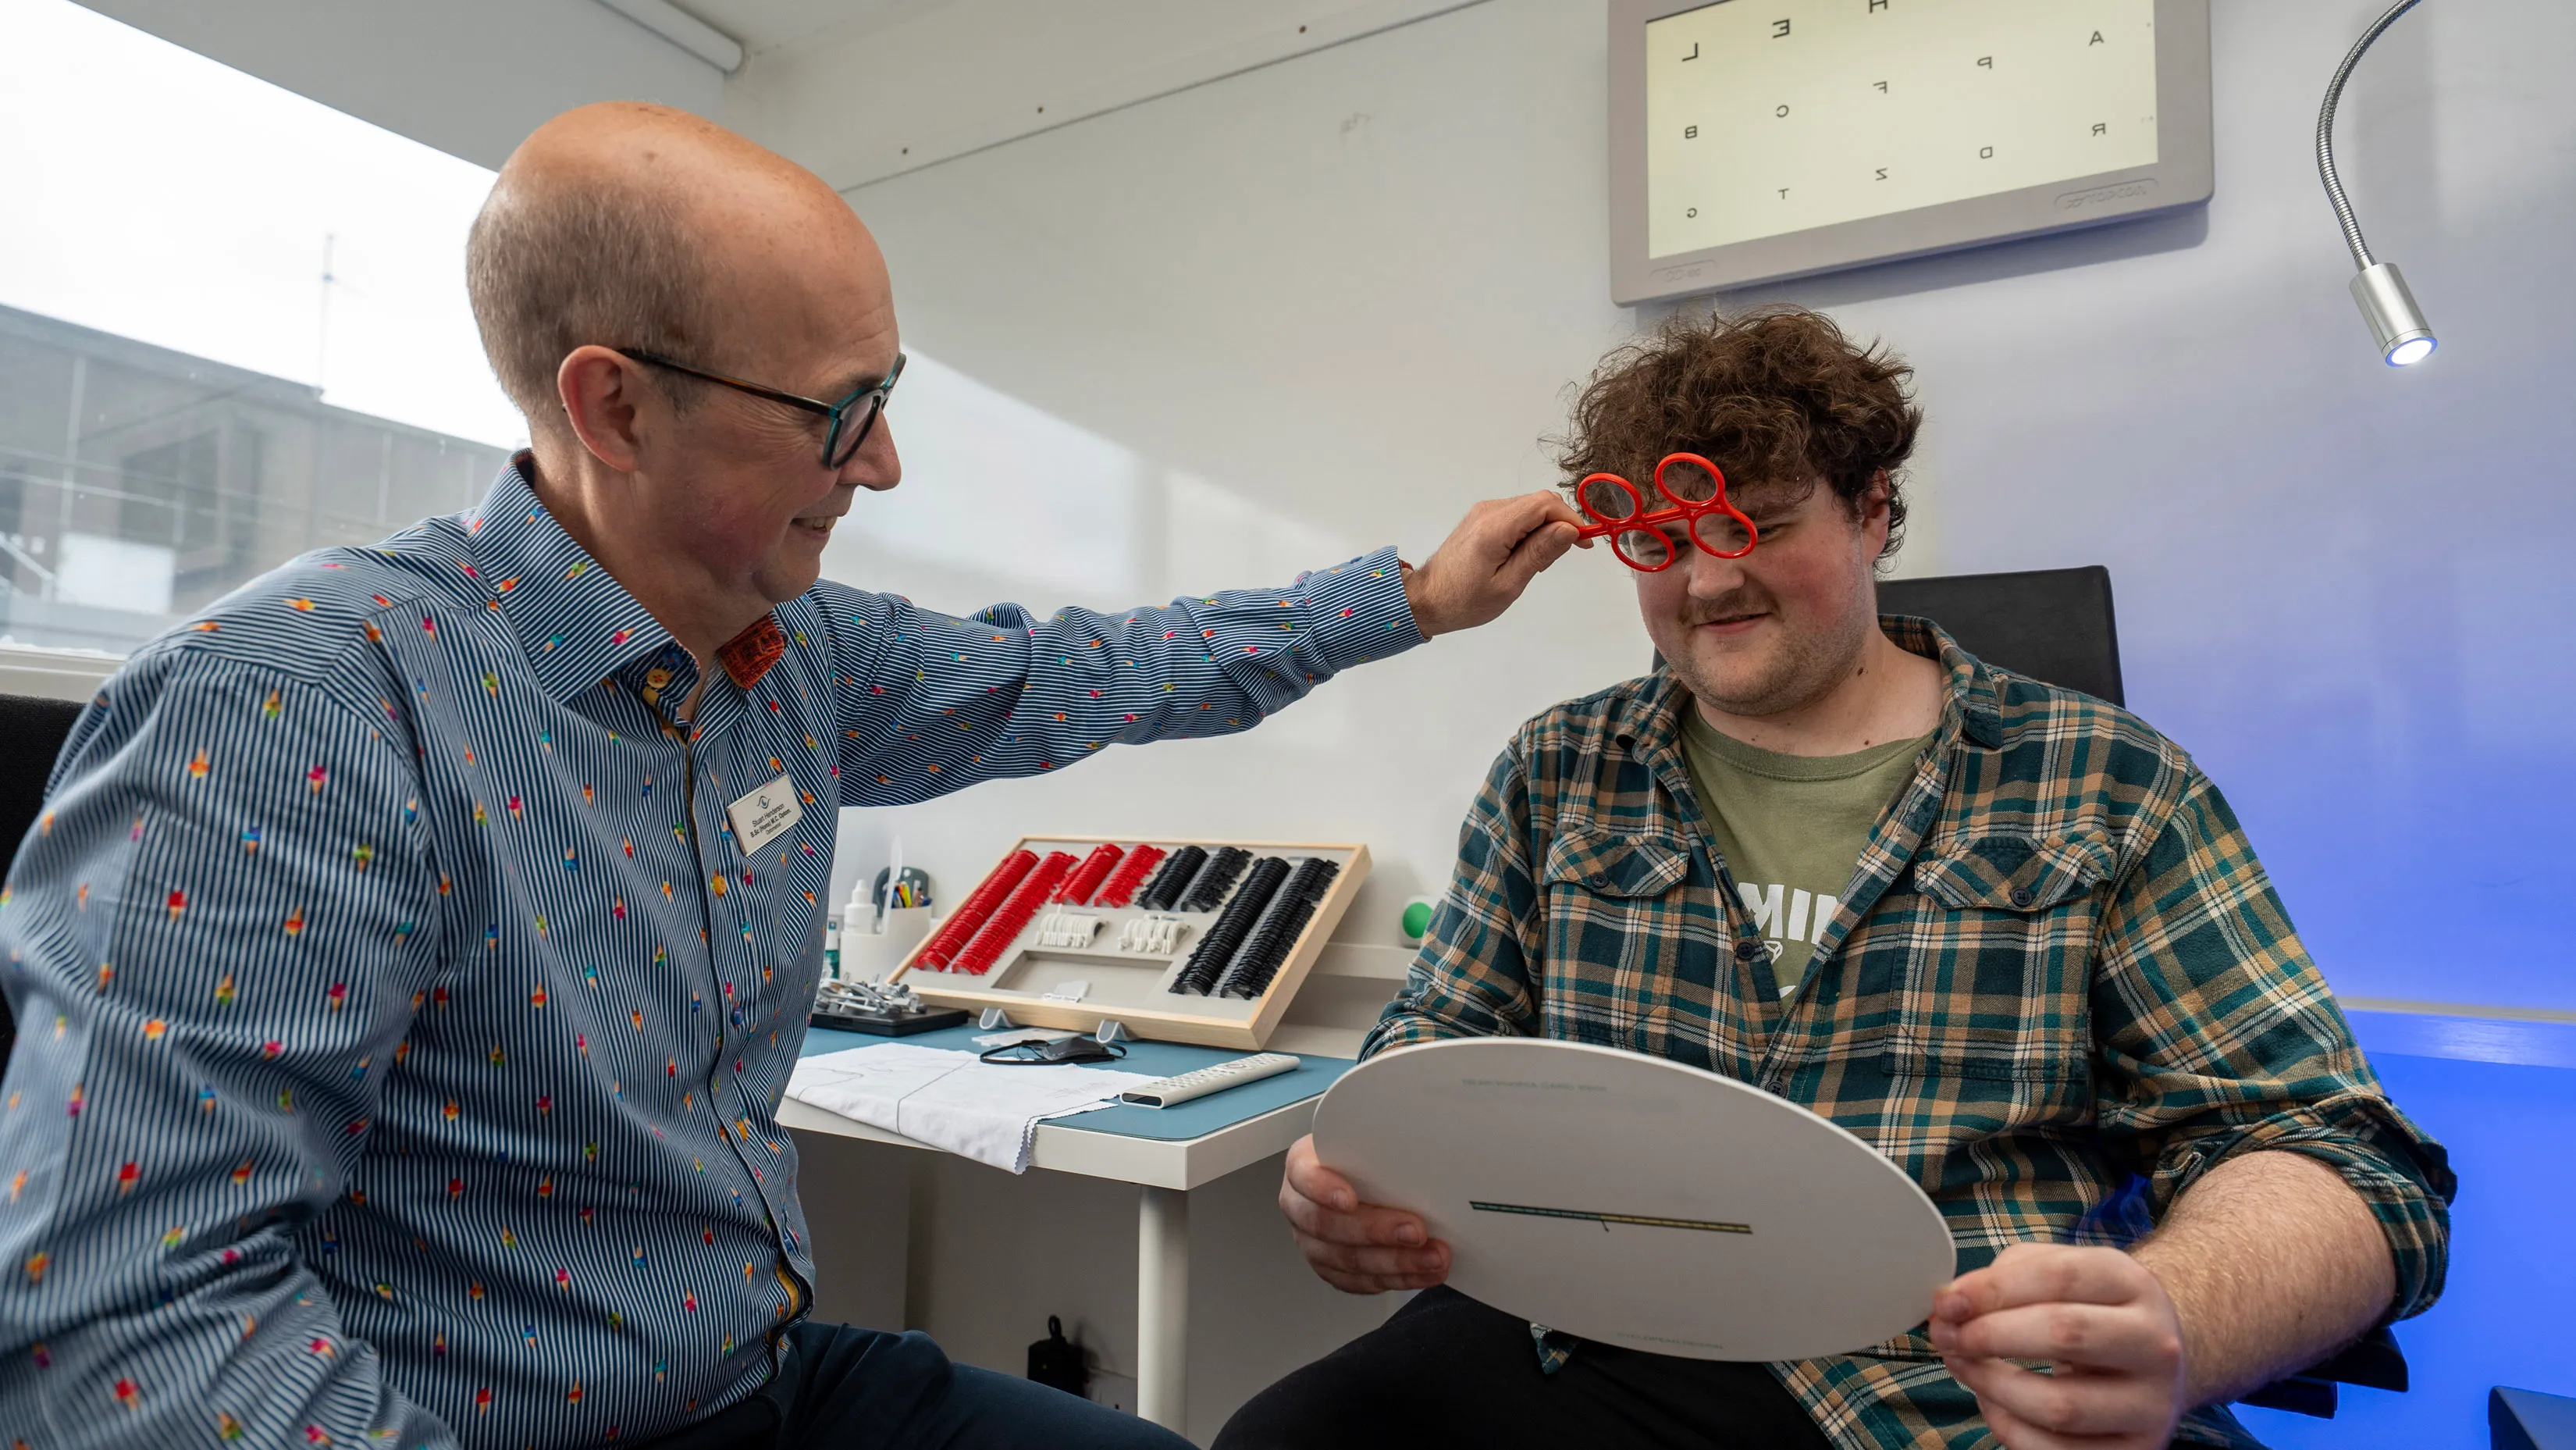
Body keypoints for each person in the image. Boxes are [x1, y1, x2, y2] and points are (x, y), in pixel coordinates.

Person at [0, 103, 1583, 1450]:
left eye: (888, 397)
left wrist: (1416, 599)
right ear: (612, 404)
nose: (883, 464)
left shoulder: (795, 653)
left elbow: (1096, 668)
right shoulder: (301, 707)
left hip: (748, 1381)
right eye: (844, 412)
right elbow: (130, 1318)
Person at [1227, 308, 2454, 1450]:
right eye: (1658, 540)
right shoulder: (1559, 771)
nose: (1705, 582)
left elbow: (2327, 1148)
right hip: (1586, 1338)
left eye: (1751, 522)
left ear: (1873, 511)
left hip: (1946, 1387)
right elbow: (1435, 1040)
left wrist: (2175, 1316)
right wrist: (1352, 1179)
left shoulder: (2109, 787)